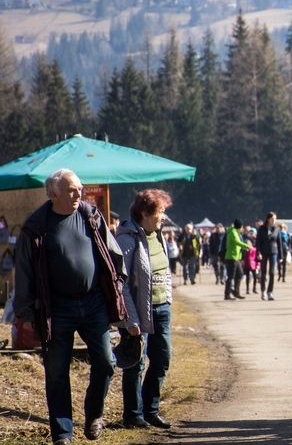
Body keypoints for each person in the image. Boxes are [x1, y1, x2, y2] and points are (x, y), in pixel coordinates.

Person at [13, 169, 127, 444]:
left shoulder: (91, 215)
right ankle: (62, 433)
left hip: (93, 303)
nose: (79, 194)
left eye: (79, 188)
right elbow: (25, 272)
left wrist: (118, 282)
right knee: (56, 372)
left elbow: (112, 252)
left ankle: (93, 415)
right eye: (71, 190)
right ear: (53, 195)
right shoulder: (36, 226)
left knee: (106, 361)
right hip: (56, 308)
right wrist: (26, 313)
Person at [116, 189, 175, 430]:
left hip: (162, 309)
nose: (163, 217)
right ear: (144, 213)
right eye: (160, 212)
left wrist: (168, 298)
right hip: (138, 314)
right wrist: (130, 318)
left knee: (162, 359)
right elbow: (121, 283)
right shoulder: (127, 239)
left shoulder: (157, 235)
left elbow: (163, 271)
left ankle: (151, 410)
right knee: (135, 363)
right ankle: (133, 415)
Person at [256, 212, 285, 301]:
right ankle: (263, 291)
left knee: (272, 273)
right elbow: (258, 242)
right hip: (264, 252)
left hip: (273, 251)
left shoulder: (276, 229)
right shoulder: (262, 228)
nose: (274, 220)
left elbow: (279, 242)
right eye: (272, 219)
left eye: (275, 219)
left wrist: (281, 256)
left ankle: (270, 292)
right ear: (268, 219)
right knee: (263, 272)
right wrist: (258, 253)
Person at [223, 219, 250, 300]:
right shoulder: (233, 232)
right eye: (242, 227)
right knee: (231, 276)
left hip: (236, 257)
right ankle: (227, 294)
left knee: (240, 274)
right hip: (231, 257)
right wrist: (247, 246)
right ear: (240, 226)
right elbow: (237, 242)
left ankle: (236, 292)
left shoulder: (235, 232)